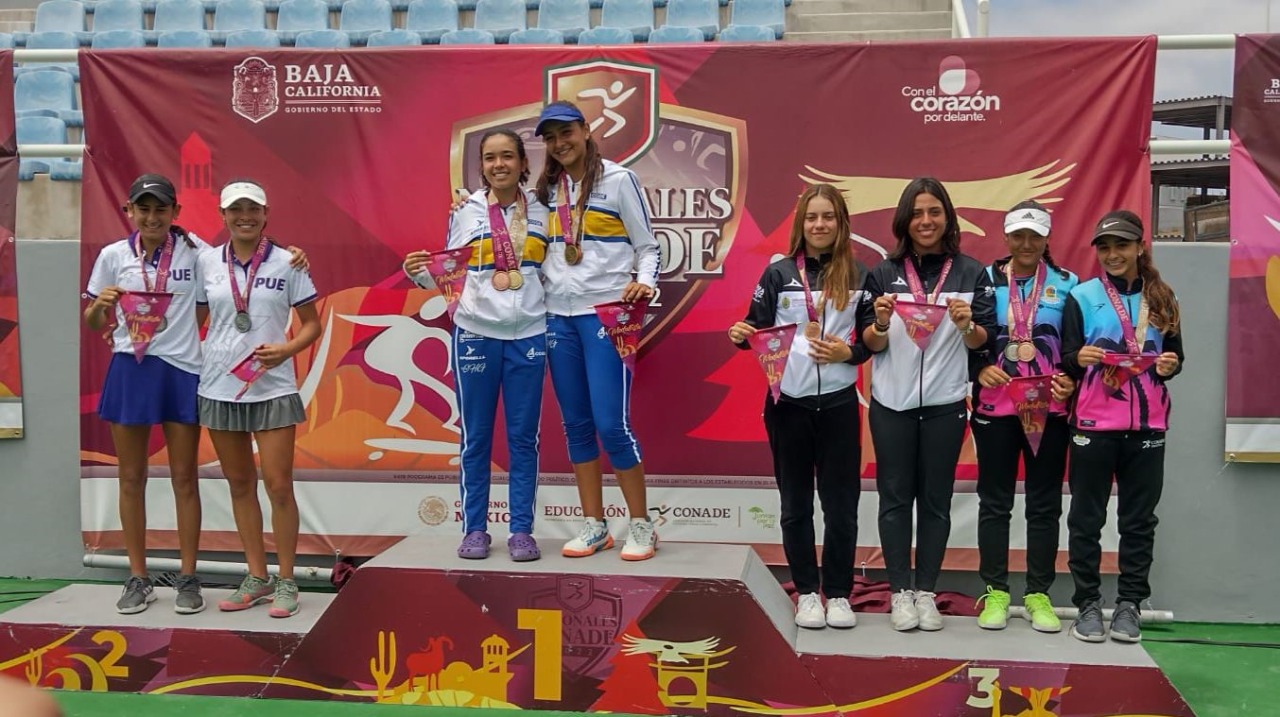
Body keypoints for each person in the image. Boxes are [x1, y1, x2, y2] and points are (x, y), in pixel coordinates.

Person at [728, 184, 872, 629]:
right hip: (788, 404)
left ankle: (840, 594)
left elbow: (871, 341)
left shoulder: (860, 274)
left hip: (839, 405)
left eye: (828, 216)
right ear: (801, 224)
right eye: (812, 217)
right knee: (795, 505)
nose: (819, 224)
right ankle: (808, 592)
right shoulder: (779, 273)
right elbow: (756, 327)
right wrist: (740, 333)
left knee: (841, 506)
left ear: (841, 223)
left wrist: (848, 353)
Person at [403, 129, 550, 561]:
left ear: (523, 163)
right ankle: (475, 529)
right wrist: (417, 271)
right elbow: (447, 273)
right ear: (481, 166)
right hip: (475, 332)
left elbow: (555, 272)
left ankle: (521, 530)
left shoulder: (544, 210)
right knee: (476, 437)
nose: (499, 165)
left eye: (507, 156)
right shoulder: (465, 211)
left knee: (524, 438)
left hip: (529, 333)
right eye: (490, 158)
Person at [860, 177, 996, 632]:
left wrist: (968, 325)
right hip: (891, 405)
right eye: (917, 213)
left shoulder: (971, 274)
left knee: (936, 502)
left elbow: (983, 343)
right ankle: (900, 592)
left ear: (947, 218)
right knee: (895, 500)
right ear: (904, 220)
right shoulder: (882, 273)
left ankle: (926, 592)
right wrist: (880, 323)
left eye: (934, 212)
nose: (925, 221)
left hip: (945, 404)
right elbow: (870, 344)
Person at [533, 101, 661, 561]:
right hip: (557, 316)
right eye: (550, 138)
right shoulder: (544, 192)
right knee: (577, 425)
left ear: (586, 131)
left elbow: (648, 247)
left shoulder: (620, 180)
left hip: (607, 314)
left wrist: (645, 282)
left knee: (612, 423)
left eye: (566, 132)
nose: (559, 143)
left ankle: (642, 525)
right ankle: (595, 526)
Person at [84, 174, 210, 615]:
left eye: (161, 209)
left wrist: (293, 256)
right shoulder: (112, 256)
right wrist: (101, 306)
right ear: (129, 211)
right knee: (131, 477)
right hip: (130, 369)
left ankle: (188, 577)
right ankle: (138, 577)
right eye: (144, 209)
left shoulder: (197, 252)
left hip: (181, 370)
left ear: (175, 212)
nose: (152, 217)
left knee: (184, 478)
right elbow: (94, 322)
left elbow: (226, 278)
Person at [196, 179, 321, 618]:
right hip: (219, 387)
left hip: (273, 387)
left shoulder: (289, 262)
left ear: (266, 214)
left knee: (279, 485)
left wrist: (287, 350)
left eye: (252, 209)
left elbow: (312, 324)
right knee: (239, 485)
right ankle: (257, 576)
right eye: (236, 209)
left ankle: (286, 580)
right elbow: (193, 320)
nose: (244, 217)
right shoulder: (205, 261)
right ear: (223, 216)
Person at [1061, 210, 1183, 644]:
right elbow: (1066, 358)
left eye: (1122, 246)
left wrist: (1169, 365)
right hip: (1093, 424)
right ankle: (1087, 604)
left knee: (1138, 521)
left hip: (1148, 426)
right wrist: (1079, 359)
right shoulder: (1081, 296)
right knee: (1086, 518)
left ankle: (1130, 603)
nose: (1113, 254)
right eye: (1106, 247)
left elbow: (1175, 358)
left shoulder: (1163, 296)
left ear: (1139, 248)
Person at [970, 201, 1079, 632]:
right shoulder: (985, 279)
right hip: (996, 408)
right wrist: (979, 367)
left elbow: (1075, 344)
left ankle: (1038, 594)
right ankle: (996, 591)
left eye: (1035, 236)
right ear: (1007, 237)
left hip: (1048, 410)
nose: (1027, 243)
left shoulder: (1068, 284)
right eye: (1019, 235)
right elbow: (968, 337)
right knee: (994, 503)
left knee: (1044, 504)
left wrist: (1070, 377)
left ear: (1047, 238)